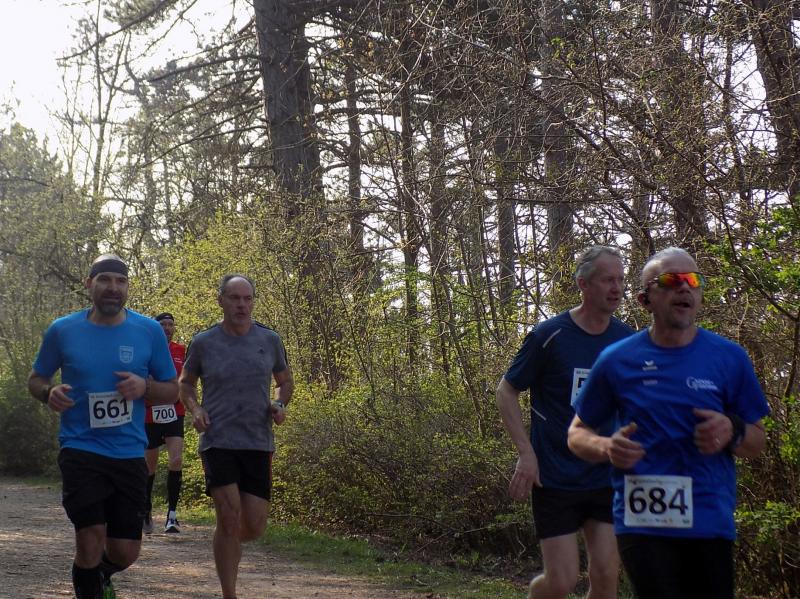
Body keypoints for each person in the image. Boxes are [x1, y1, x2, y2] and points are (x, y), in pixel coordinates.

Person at [568, 247, 769, 599]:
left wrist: (732, 430)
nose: (684, 287)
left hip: (709, 519)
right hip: (642, 521)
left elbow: (757, 441)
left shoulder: (729, 358)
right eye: (671, 281)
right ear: (645, 300)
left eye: (692, 280)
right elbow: (577, 433)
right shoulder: (617, 360)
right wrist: (607, 447)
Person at [27, 254, 179, 599]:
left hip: (129, 452)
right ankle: (90, 584)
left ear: (127, 287)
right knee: (90, 537)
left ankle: (97, 577)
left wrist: (145, 387)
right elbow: (36, 378)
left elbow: (172, 390)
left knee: (125, 552)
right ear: (89, 284)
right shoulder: (63, 330)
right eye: (105, 280)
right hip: (80, 448)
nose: (113, 287)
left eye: (120, 281)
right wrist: (48, 392)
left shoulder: (148, 331)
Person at [496, 245, 634, 599]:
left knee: (606, 576)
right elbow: (506, 391)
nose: (617, 288)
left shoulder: (626, 341)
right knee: (561, 582)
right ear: (583, 284)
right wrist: (526, 453)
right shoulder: (549, 336)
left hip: (605, 475)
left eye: (621, 280)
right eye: (608, 280)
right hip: (555, 474)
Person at [179, 273, 294, 599]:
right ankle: (229, 592)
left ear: (253, 302)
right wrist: (195, 409)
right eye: (234, 298)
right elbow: (185, 383)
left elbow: (285, 382)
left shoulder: (269, 339)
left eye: (247, 298)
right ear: (221, 301)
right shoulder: (204, 342)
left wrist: (279, 404)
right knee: (229, 518)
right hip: (218, 440)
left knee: (254, 526)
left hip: (257, 440)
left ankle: (225, 542)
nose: (242, 305)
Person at [143, 312, 187, 534]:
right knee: (149, 467)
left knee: (176, 460)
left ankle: (172, 516)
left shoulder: (181, 350)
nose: (167, 328)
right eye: (162, 324)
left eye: (170, 324)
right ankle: (146, 509)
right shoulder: (145, 349)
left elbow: (188, 379)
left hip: (174, 412)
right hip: (150, 413)